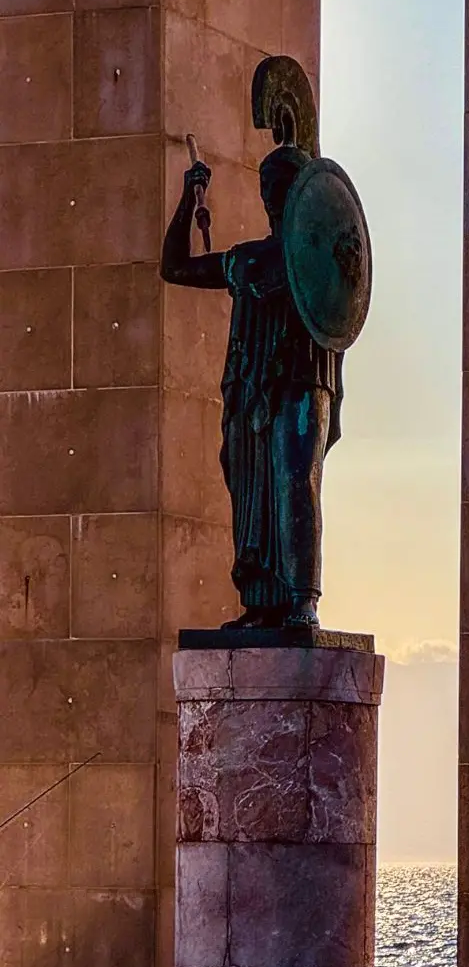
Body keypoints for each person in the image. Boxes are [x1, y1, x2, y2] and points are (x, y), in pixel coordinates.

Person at [160, 147, 344, 630]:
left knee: (294, 482)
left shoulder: (317, 260)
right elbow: (175, 267)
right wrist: (187, 196)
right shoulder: (246, 260)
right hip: (248, 391)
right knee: (250, 491)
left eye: (281, 184)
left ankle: (303, 599)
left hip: (301, 381)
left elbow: (342, 308)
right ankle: (263, 601)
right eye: (265, 184)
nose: (270, 194)